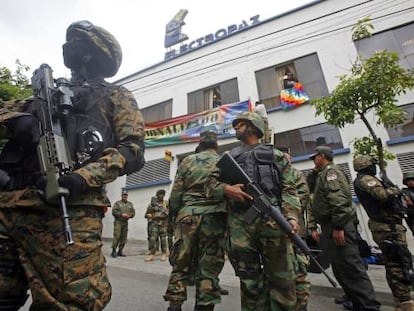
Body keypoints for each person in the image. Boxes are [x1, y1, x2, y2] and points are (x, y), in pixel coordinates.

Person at [0, 20, 145, 309]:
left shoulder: (115, 95)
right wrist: (19, 120)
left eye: (76, 41)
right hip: (9, 207)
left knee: (74, 302)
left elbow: (132, 150)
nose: (67, 46)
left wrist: (82, 177)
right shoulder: (43, 93)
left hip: (69, 210)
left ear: (93, 53)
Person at [206, 111, 301, 310]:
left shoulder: (276, 156)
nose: (236, 127)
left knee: (282, 279)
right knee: (249, 281)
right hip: (241, 223)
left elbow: (289, 189)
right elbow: (209, 185)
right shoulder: (229, 157)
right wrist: (226, 189)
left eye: (240, 123)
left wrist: (291, 217)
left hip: (273, 221)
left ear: (253, 126)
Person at [308, 146, 380, 311]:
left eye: (315, 157)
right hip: (331, 225)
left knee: (351, 266)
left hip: (339, 225)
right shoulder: (322, 174)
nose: (313, 160)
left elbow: (339, 200)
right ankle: (356, 302)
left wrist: (339, 227)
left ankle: (369, 306)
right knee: (341, 267)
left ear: (322, 156)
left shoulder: (331, 173)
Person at [164, 130, 227, 311]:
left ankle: (175, 304)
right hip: (214, 218)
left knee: (181, 262)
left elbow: (175, 194)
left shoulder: (187, 161)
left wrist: (175, 217)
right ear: (216, 146)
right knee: (209, 266)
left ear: (200, 145)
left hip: (188, 217)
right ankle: (204, 305)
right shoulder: (223, 162)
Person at [353, 155, 414, 310]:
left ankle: (401, 300)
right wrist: (394, 190)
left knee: (394, 262)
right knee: (397, 263)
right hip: (387, 228)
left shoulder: (365, 179)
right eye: (372, 165)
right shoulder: (366, 179)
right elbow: (382, 195)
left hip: (387, 226)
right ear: (366, 166)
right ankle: (405, 301)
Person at [278, 146, 311, 311]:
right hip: (276, 231)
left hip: (294, 228)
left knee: (299, 272)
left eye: (286, 157)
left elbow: (303, 198)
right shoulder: (273, 173)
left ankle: (301, 306)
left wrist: (288, 210)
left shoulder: (296, 174)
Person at [145, 189, 169, 262]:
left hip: (163, 224)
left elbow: (169, 213)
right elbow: (146, 214)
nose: (161, 196)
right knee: (153, 239)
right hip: (154, 223)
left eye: (162, 194)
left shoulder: (166, 203)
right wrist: (150, 215)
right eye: (159, 194)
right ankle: (152, 254)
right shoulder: (153, 204)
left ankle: (164, 253)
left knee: (163, 239)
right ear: (157, 195)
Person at [111, 190, 136, 257]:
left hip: (125, 222)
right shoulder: (117, 203)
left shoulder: (130, 204)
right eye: (123, 195)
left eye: (126, 195)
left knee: (124, 237)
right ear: (121, 196)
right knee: (117, 236)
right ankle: (113, 251)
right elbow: (114, 212)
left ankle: (120, 251)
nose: (125, 196)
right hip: (118, 222)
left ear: (127, 196)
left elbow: (133, 213)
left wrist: (129, 215)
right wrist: (121, 214)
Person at [402, 171, 414, 236]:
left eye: (413, 179)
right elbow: (407, 209)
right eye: (408, 180)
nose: (411, 181)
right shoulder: (405, 193)